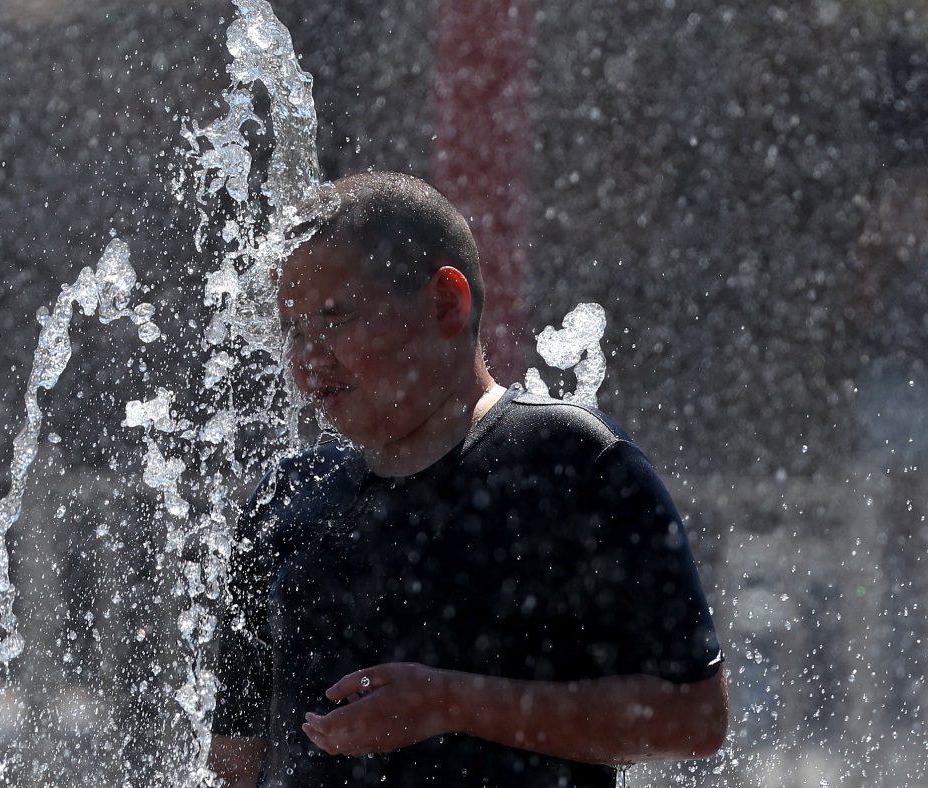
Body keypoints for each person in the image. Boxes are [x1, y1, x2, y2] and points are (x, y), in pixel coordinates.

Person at [208, 171, 727, 787]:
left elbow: (695, 716)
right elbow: (234, 761)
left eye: (335, 318)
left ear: (444, 305)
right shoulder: (285, 502)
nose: (308, 357)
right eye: (294, 328)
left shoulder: (570, 464)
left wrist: (450, 704)